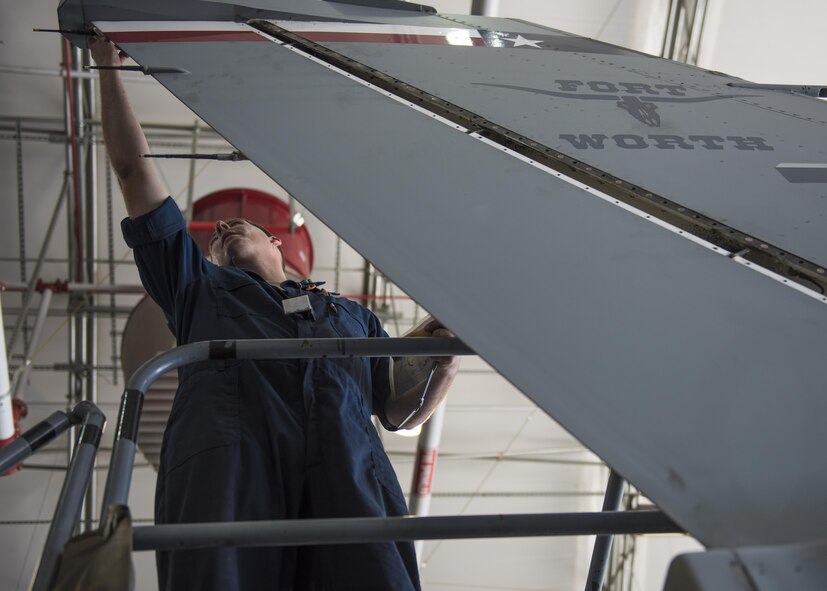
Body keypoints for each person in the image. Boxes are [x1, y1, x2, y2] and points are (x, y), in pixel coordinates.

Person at [90, 36, 461, 591]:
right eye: (215, 238)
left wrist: (444, 367)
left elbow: (399, 412)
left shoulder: (350, 317)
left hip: (350, 467)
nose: (220, 230)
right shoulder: (196, 290)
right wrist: (107, 70)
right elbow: (132, 174)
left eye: (240, 228)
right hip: (231, 462)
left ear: (280, 245)